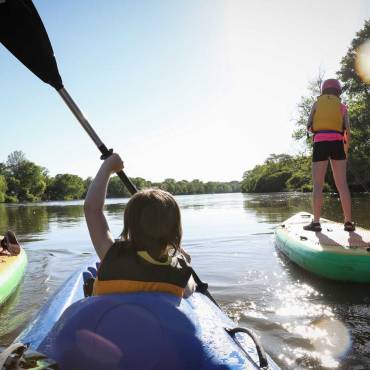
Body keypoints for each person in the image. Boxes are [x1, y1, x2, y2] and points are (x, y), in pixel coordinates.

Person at [84, 153, 196, 298]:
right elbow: (190, 289)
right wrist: (182, 258)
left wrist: (108, 167)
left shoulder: (112, 255)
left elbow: (92, 209)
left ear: (130, 226)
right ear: (176, 230)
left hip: (105, 318)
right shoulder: (178, 272)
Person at [304, 78, 355, 232]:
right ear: (338, 91)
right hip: (338, 143)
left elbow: (308, 126)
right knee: (342, 185)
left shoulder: (316, 104)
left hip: (320, 143)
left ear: (323, 90)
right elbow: (347, 130)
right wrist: (345, 150)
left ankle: (316, 222)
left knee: (318, 185)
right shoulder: (342, 107)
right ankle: (348, 222)